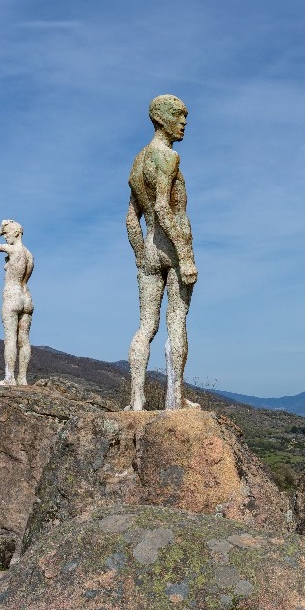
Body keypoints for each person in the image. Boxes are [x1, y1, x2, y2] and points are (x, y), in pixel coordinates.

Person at [125, 94, 198, 410]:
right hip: (171, 245)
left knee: (145, 326)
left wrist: (141, 253)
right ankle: (174, 399)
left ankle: (137, 399)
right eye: (179, 115)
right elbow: (162, 208)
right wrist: (184, 255)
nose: (184, 123)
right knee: (177, 320)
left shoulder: (138, 161)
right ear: (160, 118)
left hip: (150, 250)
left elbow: (132, 216)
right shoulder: (167, 157)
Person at [0, 219, 34, 386]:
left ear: (17, 233)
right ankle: (23, 379)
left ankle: (10, 378)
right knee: (24, 340)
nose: (5, 237)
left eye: (7, 233)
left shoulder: (13, 250)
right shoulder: (29, 255)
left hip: (12, 296)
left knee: (10, 338)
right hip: (27, 298)